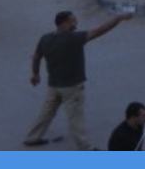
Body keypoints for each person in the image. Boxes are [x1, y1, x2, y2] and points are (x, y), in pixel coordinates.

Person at [24, 10, 134, 149]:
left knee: (47, 112)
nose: (75, 23)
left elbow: (36, 57)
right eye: (72, 21)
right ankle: (85, 147)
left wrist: (35, 74)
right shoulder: (74, 38)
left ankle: (32, 137)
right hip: (72, 87)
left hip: (54, 85)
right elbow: (100, 30)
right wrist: (118, 18)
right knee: (76, 118)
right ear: (64, 23)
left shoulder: (45, 38)